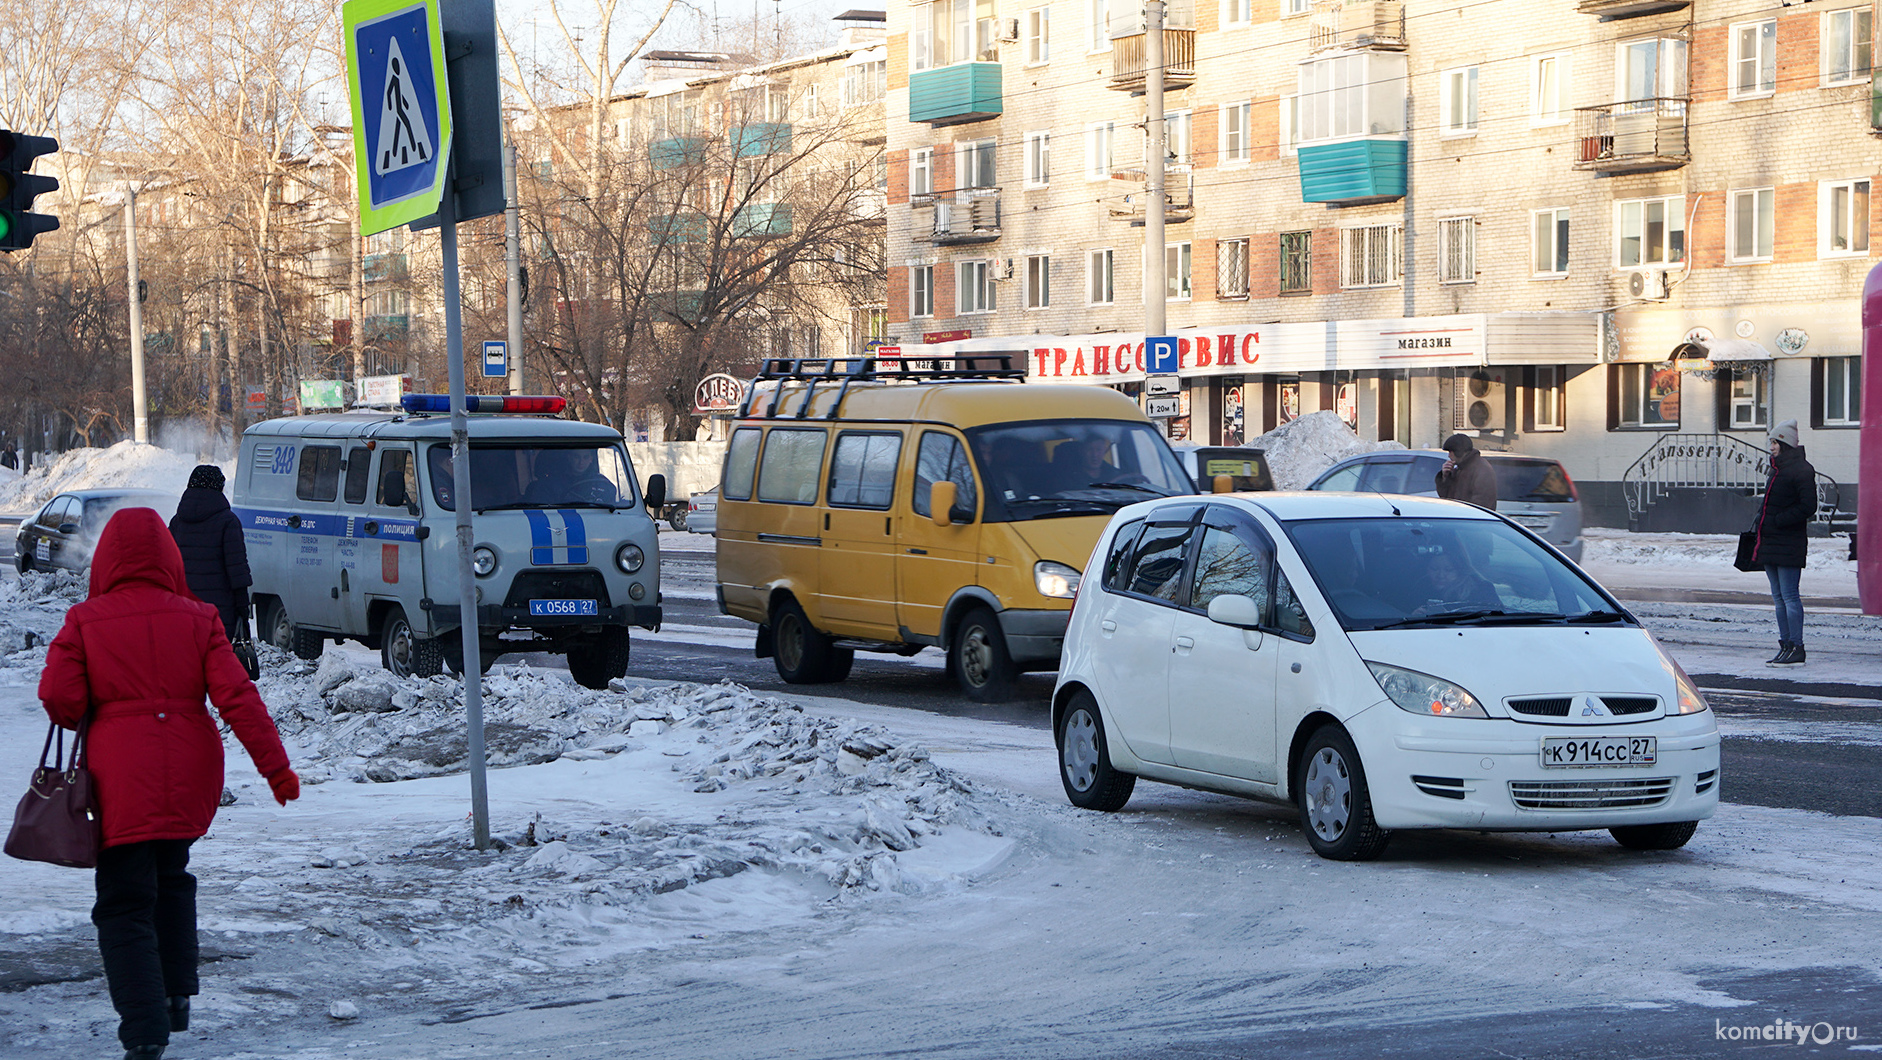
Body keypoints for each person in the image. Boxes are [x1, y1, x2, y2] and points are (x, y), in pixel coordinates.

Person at [39, 508, 298, 1060]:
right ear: (169, 557)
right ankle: (178, 994)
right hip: (188, 773)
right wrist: (277, 770)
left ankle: (144, 1029)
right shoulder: (200, 617)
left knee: (124, 902)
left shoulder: (85, 621)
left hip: (119, 779)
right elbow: (238, 698)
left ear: (106, 559)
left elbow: (62, 702)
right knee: (172, 876)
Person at [1750, 419, 1816, 666]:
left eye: (1774, 442)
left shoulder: (1801, 470)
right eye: (1771, 442)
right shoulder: (1777, 470)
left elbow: (1808, 506)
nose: (1771, 447)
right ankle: (1786, 644)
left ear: (1785, 443)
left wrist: (1778, 520)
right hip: (1771, 542)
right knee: (1778, 598)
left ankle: (1797, 647)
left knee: (1789, 596)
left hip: (1788, 542)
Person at [168, 465, 252, 641]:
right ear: (218, 488)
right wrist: (243, 609)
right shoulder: (228, 522)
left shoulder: (177, 522)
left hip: (183, 609)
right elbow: (237, 571)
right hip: (219, 614)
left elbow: (167, 565)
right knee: (216, 663)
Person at [1415, 549, 1501, 615]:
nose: (1441, 575)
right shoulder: (1418, 590)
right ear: (1426, 570)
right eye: (1434, 569)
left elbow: (1498, 616)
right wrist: (1414, 616)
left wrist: (1451, 617)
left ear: (1460, 572)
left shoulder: (1482, 590)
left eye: (1449, 570)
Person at [1434, 433, 1497, 510]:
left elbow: (1482, 503)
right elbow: (1446, 497)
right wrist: (1445, 477)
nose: (1449, 456)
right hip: (1461, 518)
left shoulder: (1482, 469)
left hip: (1470, 520)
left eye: (1451, 452)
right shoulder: (1459, 469)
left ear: (1459, 451)